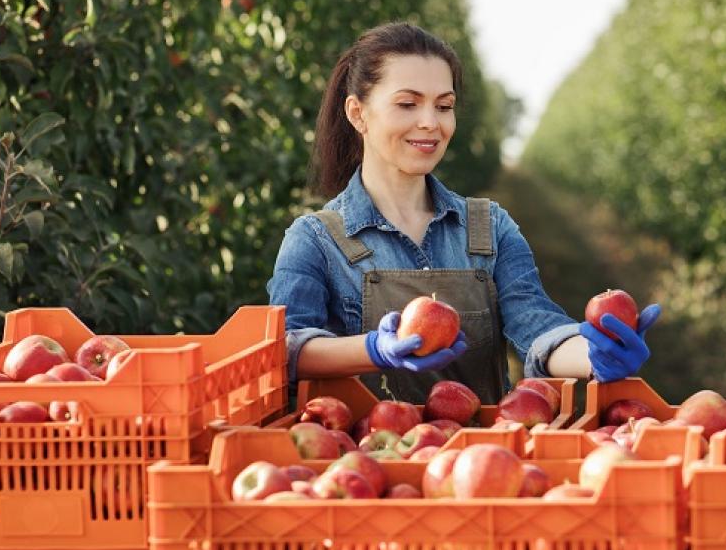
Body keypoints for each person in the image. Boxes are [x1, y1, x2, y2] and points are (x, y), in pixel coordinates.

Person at [267, 22, 660, 404]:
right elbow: (285, 352)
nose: (430, 123)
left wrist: (591, 353)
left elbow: (535, 324)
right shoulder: (316, 239)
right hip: (365, 445)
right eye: (407, 104)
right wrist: (372, 350)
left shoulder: (489, 227)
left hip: (481, 444)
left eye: (444, 106)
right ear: (357, 113)